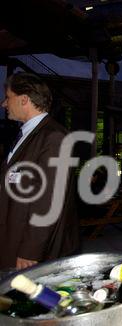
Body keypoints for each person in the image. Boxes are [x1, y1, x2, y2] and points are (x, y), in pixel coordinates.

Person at [0, 72, 79, 270]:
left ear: (24, 99)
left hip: (31, 249)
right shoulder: (29, 134)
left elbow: (51, 198)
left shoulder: (54, 137)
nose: (3, 103)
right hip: (14, 237)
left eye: (8, 97)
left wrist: (30, 250)